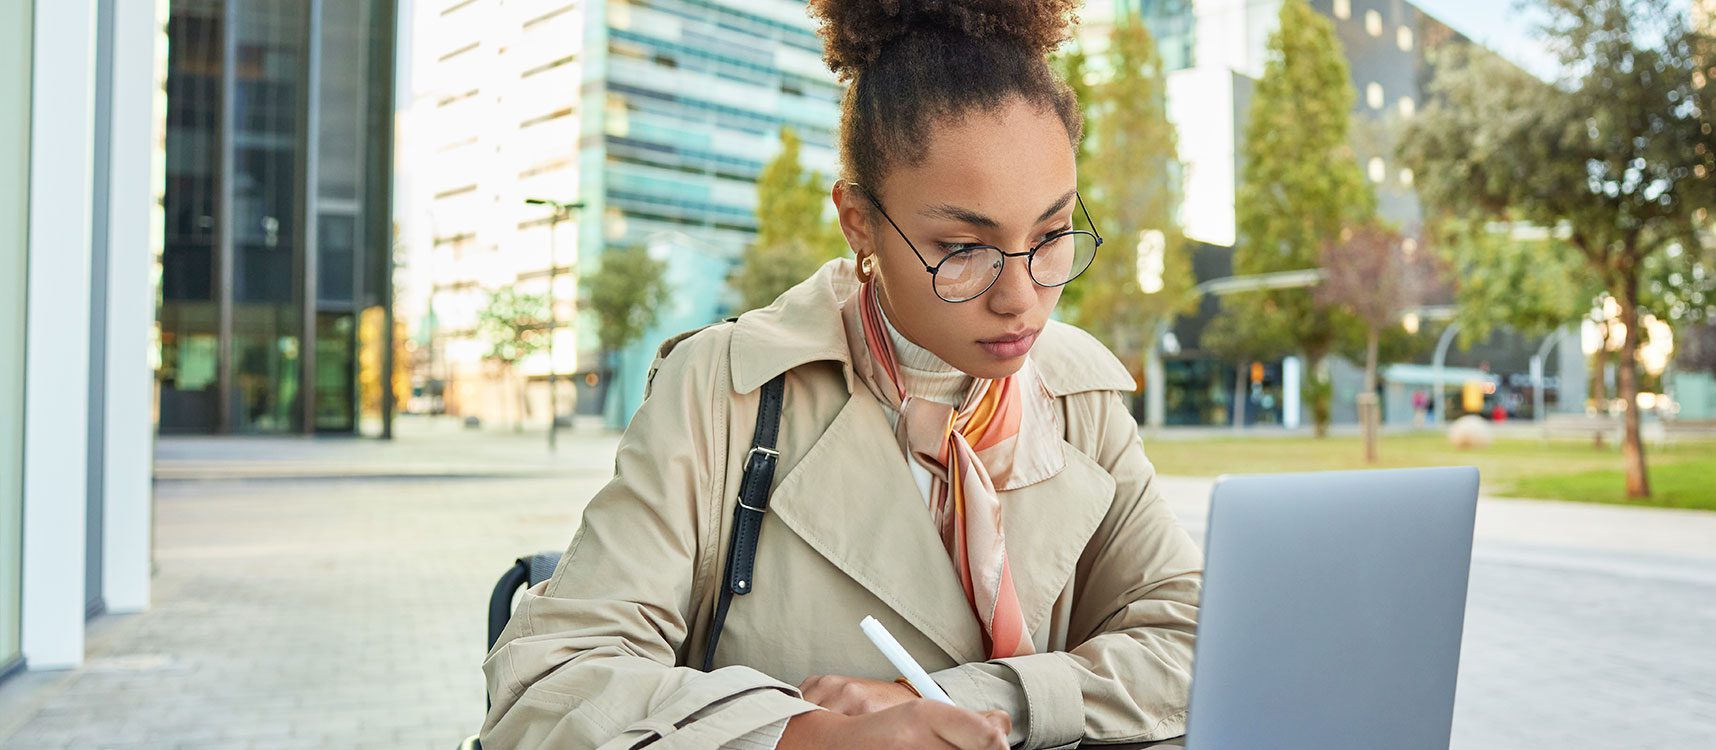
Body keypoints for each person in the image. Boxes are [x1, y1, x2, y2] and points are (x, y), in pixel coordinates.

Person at [479, 2, 1202, 748]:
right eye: (962, 249)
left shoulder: (1079, 393)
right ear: (859, 222)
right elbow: (546, 683)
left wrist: (990, 703)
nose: (1022, 297)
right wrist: (804, 736)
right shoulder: (725, 389)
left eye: (1052, 235)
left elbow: (1195, 637)